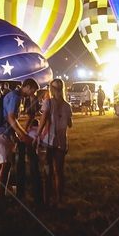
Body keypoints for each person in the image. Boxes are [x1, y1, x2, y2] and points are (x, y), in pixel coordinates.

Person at [0, 80, 38, 196]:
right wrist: (23, 135)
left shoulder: (14, 95)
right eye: (32, 90)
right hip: (2, 132)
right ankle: (0, 192)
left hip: (0, 130)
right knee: (6, 164)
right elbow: (11, 118)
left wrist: (15, 135)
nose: (33, 94)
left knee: (0, 161)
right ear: (27, 86)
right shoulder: (16, 97)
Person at [37, 78, 72, 207]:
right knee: (59, 172)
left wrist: (38, 134)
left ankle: (46, 200)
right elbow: (70, 124)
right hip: (61, 142)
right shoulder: (67, 106)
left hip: (48, 141)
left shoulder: (48, 103)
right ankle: (59, 199)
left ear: (51, 89)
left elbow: (43, 119)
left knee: (47, 171)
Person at [15, 80, 43, 204]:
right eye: (33, 90)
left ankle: (27, 192)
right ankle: (32, 193)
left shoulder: (32, 100)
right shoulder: (25, 99)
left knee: (28, 162)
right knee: (28, 162)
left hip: (29, 133)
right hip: (28, 132)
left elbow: (32, 116)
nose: (34, 93)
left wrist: (24, 132)